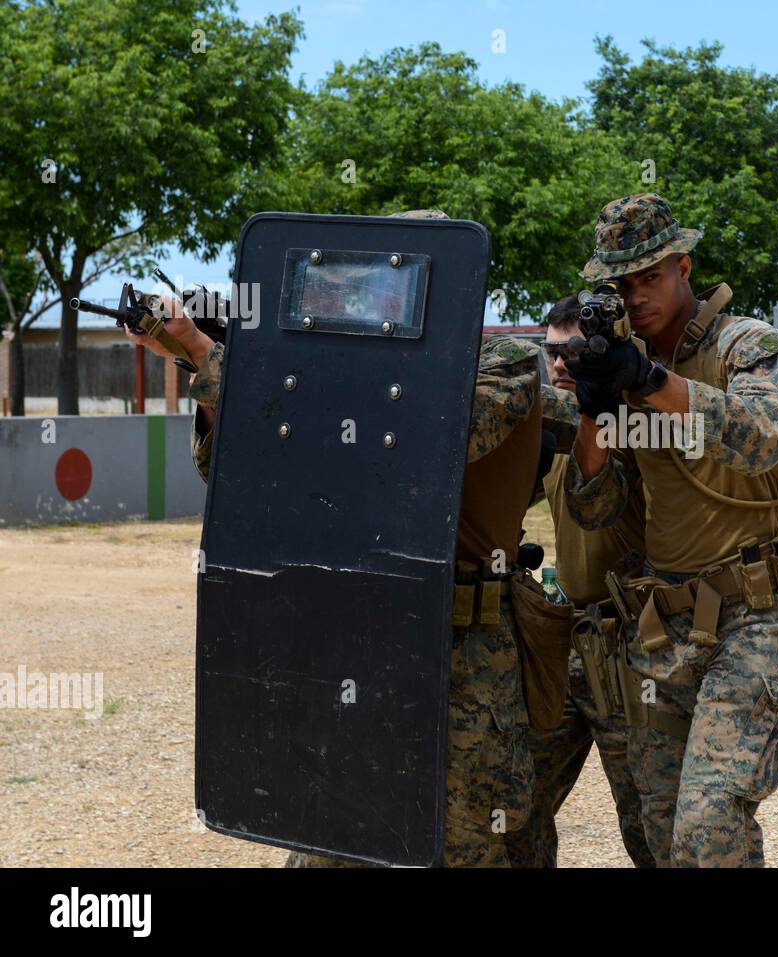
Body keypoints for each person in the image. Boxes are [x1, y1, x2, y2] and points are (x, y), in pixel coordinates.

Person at [129, 209, 558, 867]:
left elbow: (417, 439)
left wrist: (214, 358)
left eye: (390, 287)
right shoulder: (319, 375)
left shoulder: (506, 361)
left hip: (464, 659)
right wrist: (220, 373)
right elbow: (232, 470)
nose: (369, 305)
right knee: (329, 832)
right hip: (346, 637)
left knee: (466, 842)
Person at [562, 193, 778, 868]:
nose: (636, 295)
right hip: (662, 623)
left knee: (708, 825)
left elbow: (763, 438)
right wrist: (594, 406)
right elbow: (596, 506)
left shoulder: (749, 345)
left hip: (751, 616)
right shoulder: (623, 363)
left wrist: (651, 380)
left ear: (684, 266)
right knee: (659, 832)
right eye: (623, 283)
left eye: (650, 276)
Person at [505, 296, 655, 868]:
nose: (560, 366)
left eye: (572, 354)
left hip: (630, 647)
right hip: (564, 640)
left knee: (648, 818)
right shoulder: (553, 431)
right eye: (551, 354)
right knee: (519, 802)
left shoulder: (633, 422)